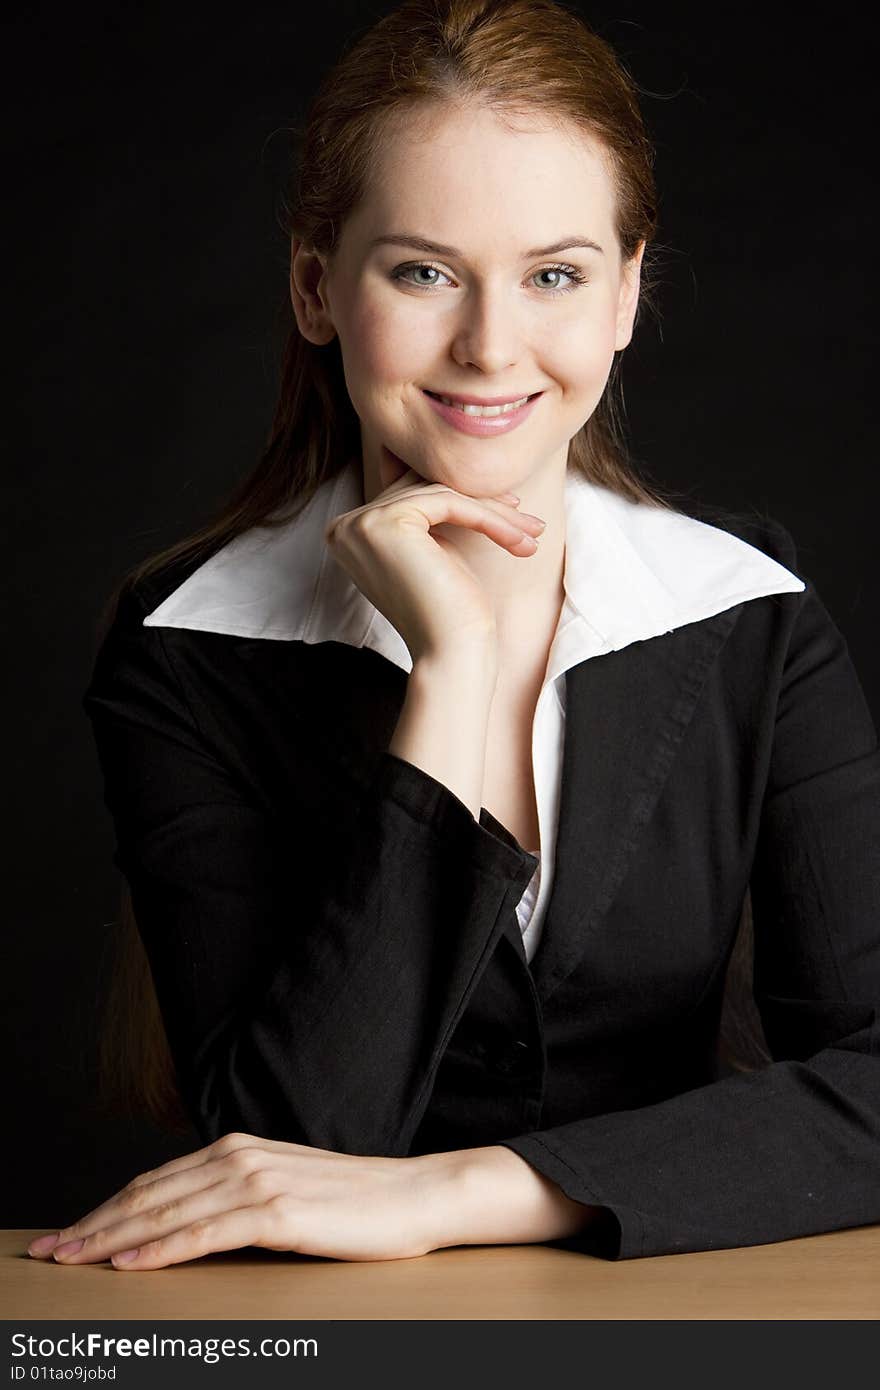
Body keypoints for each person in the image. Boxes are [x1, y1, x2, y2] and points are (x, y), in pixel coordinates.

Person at [29, 0, 879, 1271]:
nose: (490, 347)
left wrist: (465, 1193)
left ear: (627, 296)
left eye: (555, 275)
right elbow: (285, 1145)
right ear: (317, 288)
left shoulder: (749, 615)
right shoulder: (186, 649)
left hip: (677, 1316)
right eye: (423, 271)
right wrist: (457, 673)